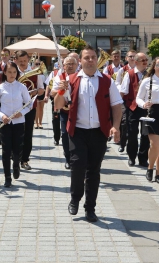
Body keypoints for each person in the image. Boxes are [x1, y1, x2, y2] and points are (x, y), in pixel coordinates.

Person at [54, 45, 122, 222]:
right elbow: (58, 105)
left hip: (99, 132)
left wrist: (116, 126)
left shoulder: (107, 81)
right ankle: (75, 198)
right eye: (87, 58)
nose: (90, 60)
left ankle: (90, 208)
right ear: (80, 61)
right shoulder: (71, 80)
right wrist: (61, 90)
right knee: (77, 166)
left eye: (93, 57)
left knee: (94, 170)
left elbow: (116, 105)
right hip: (77, 131)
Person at [0, 62, 31, 187]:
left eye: (14, 72)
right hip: (5, 123)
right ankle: (7, 177)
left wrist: (22, 112)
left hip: (19, 122)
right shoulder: (0, 88)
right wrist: (2, 116)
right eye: (9, 72)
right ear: (5, 73)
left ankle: (16, 165)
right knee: (6, 150)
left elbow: (29, 104)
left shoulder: (21, 87)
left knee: (18, 149)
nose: (12, 74)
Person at [16, 50, 45, 170]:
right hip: (14, 107)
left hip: (29, 107)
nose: (23, 63)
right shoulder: (12, 71)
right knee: (15, 134)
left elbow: (41, 90)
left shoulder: (35, 72)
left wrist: (35, 92)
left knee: (27, 134)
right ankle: (15, 157)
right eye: (20, 61)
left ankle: (25, 160)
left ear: (28, 60)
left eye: (25, 61)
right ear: (16, 60)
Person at [120, 53, 150, 167]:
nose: (145, 62)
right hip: (132, 108)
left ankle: (143, 158)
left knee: (145, 134)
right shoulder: (130, 74)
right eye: (143, 60)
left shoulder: (150, 74)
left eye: (146, 60)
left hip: (146, 108)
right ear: (136, 62)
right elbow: (123, 91)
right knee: (132, 133)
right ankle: (131, 157)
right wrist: (119, 107)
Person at [50, 56, 78, 169]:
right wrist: (62, 89)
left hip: (77, 110)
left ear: (77, 65)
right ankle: (67, 158)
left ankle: (75, 156)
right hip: (64, 111)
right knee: (65, 134)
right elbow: (52, 92)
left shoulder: (80, 76)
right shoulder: (60, 76)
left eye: (72, 64)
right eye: (68, 64)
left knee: (76, 135)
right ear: (64, 66)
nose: (70, 66)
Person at [44, 62, 61, 145]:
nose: (57, 70)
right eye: (56, 68)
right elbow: (48, 85)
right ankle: (56, 138)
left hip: (67, 100)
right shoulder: (53, 74)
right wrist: (46, 95)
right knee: (56, 119)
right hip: (55, 99)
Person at [34, 59, 47, 129]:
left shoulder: (44, 73)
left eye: (39, 64)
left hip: (42, 91)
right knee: (36, 108)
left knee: (41, 108)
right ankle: (36, 123)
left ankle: (40, 123)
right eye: (36, 64)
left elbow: (47, 82)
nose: (38, 65)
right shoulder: (33, 72)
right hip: (35, 91)